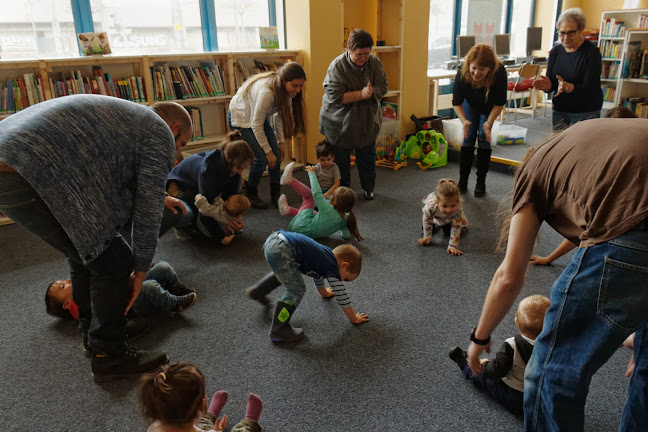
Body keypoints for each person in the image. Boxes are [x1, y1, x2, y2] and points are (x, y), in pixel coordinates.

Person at [465, 118, 648, 430]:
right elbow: (590, 226)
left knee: (552, 371)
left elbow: (509, 276)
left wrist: (479, 338)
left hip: (632, 232)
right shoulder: (588, 141)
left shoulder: (535, 170)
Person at [0, 94, 192, 381]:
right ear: (174, 128)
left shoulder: (127, 121)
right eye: (182, 144)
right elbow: (148, 209)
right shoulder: (158, 131)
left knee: (84, 250)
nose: (176, 155)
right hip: (24, 168)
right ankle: (109, 355)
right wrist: (140, 268)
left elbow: (120, 180)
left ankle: (96, 332)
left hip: (14, 160)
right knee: (113, 259)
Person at [528, 106, 639, 267]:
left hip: (619, 244)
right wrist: (549, 258)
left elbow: (588, 227)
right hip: (621, 238)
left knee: (561, 292)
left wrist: (549, 258)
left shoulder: (612, 169)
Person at [246, 230, 369, 343]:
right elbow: (342, 297)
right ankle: (278, 328)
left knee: (286, 273)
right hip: (283, 248)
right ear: (344, 265)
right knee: (297, 289)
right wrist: (354, 318)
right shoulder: (332, 267)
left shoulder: (324, 258)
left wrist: (324, 293)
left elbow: (317, 276)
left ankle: (259, 291)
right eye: (346, 278)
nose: (342, 281)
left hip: (274, 241)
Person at [449, 295, 550, 414]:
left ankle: (464, 364)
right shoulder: (559, 344)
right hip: (544, 396)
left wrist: (484, 365)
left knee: (483, 377)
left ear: (516, 322)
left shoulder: (512, 346)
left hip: (517, 397)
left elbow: (497, 370)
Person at [320, 28, 388, 201]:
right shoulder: (337, 67)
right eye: (359, 54)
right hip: (339, 121)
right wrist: (361, 94)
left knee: (367, 157)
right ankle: (343, 193)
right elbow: (335, 96)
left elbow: (383, 86)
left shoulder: (374, 63)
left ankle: (368, 188)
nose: (364, 57)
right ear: (349, 50)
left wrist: (372, 93)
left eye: (367, 53)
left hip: (366, 121)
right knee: (341, 161)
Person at [228, 62, 306, 209]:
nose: (298, 90)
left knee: (276, 154)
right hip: (240, 118)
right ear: (284, 81)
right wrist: (268, 151)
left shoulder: (287, 93)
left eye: (300, 86)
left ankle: (275, 193)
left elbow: (279, 117)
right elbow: (255, 125)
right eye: (295, 85)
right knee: (262, 157)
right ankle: (251, 192)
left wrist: (281, 143)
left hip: (255, 118)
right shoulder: (267, 93)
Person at [167, 131, 254, 241]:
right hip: (177, 186)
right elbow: (205, 207)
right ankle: (181, 226)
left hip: (195, 183)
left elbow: (230, 201)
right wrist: (220, 236)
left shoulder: (233, 165)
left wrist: (236, 220)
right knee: (194, 206)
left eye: (244, 169)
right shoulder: (208, 170)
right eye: (239, 168)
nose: (241, 173)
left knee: (213, 202)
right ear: (228, 158)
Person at [46, 261, 197, 321]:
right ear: (66, 304)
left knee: (162, 267)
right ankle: (174, 304)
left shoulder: (84, 284)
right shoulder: (78, 306)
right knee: (150, 286)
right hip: (131, 307)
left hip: (127, 288)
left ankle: (176, 287)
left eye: (63, 281)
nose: (67, 281)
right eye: (62, 286)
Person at [140, 361, 263, 432]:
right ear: (202, 404)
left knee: (201, 425)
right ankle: (250, 422)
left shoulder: (154, 428)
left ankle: (208, 416)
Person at [533, 8, 602, 131]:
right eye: (561, 33)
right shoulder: (555, 52)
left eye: (570, 33)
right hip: (560, 109)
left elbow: (590, 87)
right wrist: (547, 86)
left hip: (585, 110)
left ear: (581, 30)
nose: (565, 38)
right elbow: (553, 83)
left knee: (580, 147)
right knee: (559, 146)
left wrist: (568, 87)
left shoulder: (591, 53)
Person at [452, 44, 507, 197]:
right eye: (474, 68)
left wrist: (488, 123)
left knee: (484, 138)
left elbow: (500, 103)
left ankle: (480, 182)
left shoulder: (499, 72)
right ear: (469, 64)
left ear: (489, 68)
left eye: (482, 70)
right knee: (468, 138)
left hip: (489, 105)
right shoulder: (462, 73)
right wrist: (464, 121)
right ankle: (463, 181)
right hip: (471, 104)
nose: (476, 73)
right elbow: (456, 102)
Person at [277, 162, 363, 241]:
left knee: (310, 196)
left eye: (332, 195)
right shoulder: (346, 218)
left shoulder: (327, 208)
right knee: (315, 213)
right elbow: (346, 235)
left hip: (297, 227)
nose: (330, 196)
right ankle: (288, 210)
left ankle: (290, 180)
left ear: (335, 202)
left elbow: (316, 192)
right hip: (306, 235)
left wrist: (312, 173)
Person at [418, 179, 469, 256]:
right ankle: (435, 225)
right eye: (444, 206)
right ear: (437, 202)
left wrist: (453, 246)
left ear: (457, 202)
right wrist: (427, 236)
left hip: (448, 220)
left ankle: (443, 224)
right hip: (435, 217)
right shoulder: (430, 207)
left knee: (448, 233)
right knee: (426, 228)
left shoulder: (457, 210)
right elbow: (427, 220)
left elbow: (456, 227)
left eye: (453, 205)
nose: (449, 210)